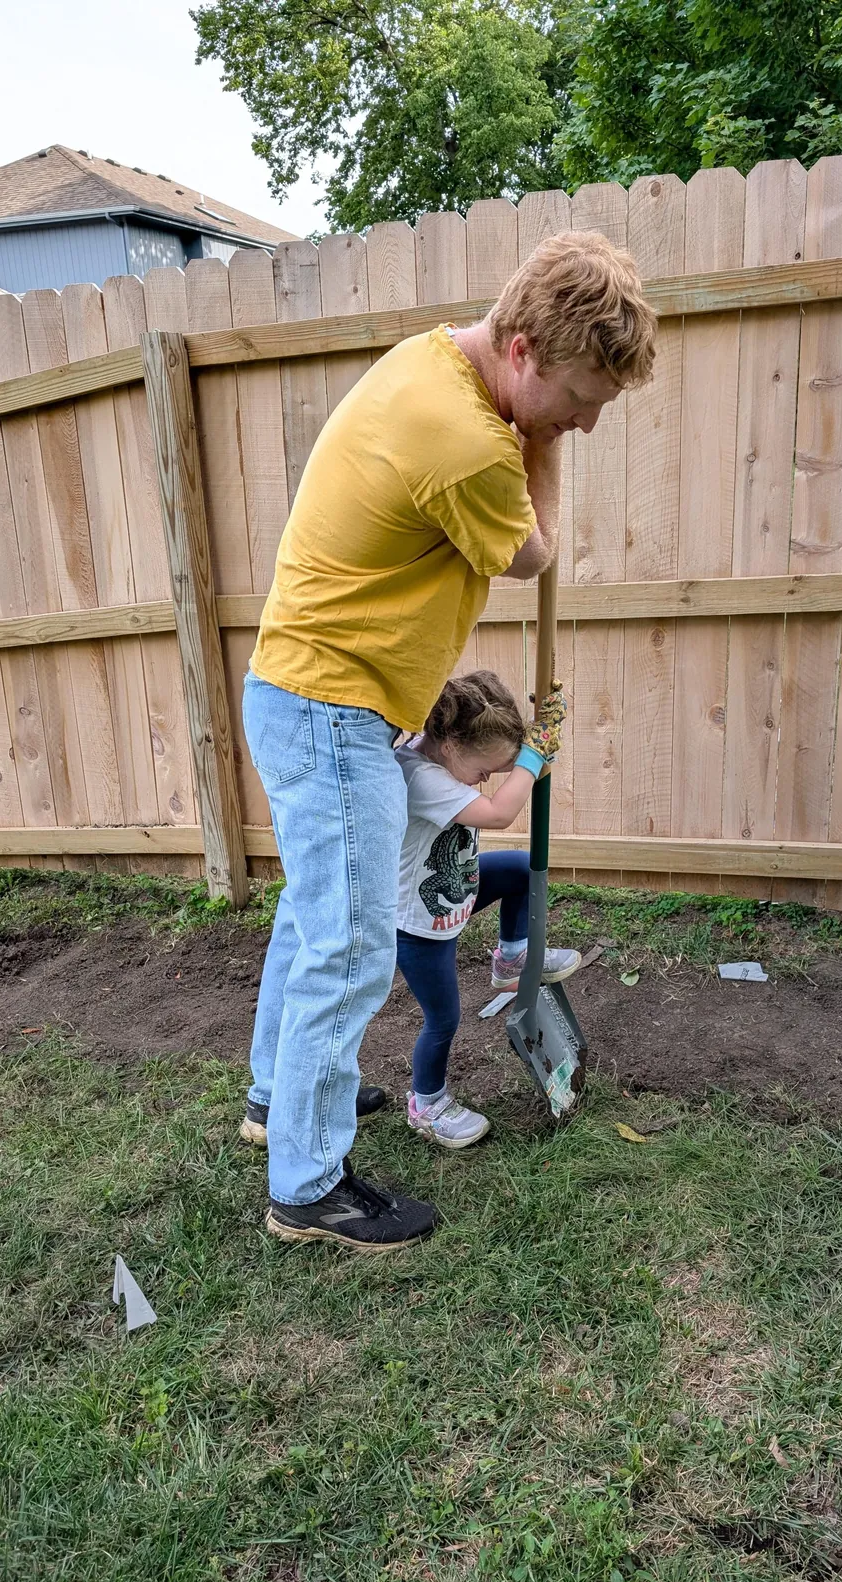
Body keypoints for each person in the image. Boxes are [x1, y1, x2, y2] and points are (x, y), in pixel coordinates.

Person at [241, 230, 657, 1252]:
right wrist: (540, 443)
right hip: (333, 709)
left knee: (311, 922)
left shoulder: (435, 362)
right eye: (582, 399)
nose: (585, 424)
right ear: (522, 351)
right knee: (348, 949)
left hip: (309, 697)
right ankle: (307, 1184)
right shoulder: (467, 440)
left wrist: (542, 421)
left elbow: (530, 474)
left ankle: (275, 1098)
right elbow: (534, 554)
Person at [396, 670, 580, 1151]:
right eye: (484, 771)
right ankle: (427, 1104)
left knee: (521, 869)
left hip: (458, 891)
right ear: (452, 746)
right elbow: (500, 813)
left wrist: (540, 735)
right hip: (420, 925)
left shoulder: (450, 754)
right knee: (443, 1018)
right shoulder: (418, 775)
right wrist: (533, 755)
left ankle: (511, 959)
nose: (487, 780)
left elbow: (510, 767)